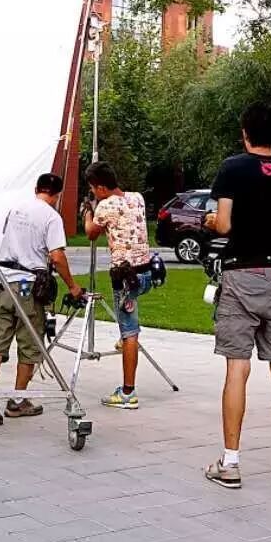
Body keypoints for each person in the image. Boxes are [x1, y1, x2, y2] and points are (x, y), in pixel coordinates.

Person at [201, 104, 271, 490]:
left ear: (245, 132)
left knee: (238, 368)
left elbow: (223, 224)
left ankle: (230, 463)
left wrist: (211, 221)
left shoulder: (232, 168)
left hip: (240, 275)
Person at [0, 173, 84, 425]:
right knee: (30, 344)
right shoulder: (51, 217)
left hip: (1, 281)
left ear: (36, 188)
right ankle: (17, 400)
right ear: (57, 195)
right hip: (28, 286)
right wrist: (72, 285)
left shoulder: (15, 209)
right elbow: (57, 256)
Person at [83, 161, 153, 410]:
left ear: (101, 188)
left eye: (93, 189)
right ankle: (125, 343)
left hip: (125, 277)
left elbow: (91, 233)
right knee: (128, 325)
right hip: (145, 273)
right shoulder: (137, 197)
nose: (93, 193)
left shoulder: (105, 206)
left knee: (130, 331)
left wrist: (88, 213)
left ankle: (127, 393)